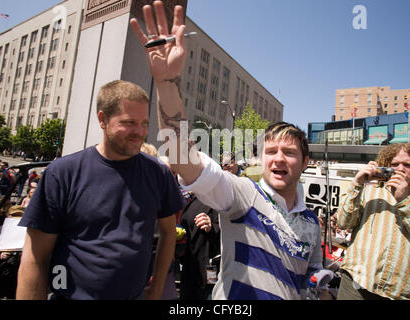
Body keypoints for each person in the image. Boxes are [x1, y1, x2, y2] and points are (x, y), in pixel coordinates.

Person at [130, 1, 330, 300]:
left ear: (305, 162)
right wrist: (167, 83)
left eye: (288, 152)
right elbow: (182, 158)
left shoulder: (312, 223)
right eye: (271, 150)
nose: (278, 158)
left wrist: (318, 284)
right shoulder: (244, 195)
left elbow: (312, 275)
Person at [16, 80, 185, 300]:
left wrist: (156, 290)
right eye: (129, 122)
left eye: (144, 123)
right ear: (102, 119)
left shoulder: (158, 173)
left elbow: (169, 232)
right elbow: (35, 258)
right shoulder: (63, 173)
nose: (140, 131)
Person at [336, 143, 410, 300]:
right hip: (356, 284)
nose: (400, 169)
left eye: (408, 165)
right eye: (395, 164)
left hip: (402, 293)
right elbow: (343, 222)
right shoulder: (370, 192)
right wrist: (357, 184)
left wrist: (403, 201)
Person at [0, 205, 25, 299]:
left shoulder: (28, 233)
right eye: (14, 215)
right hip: (0, 270)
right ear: (8, 216)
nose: (17, 218)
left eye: (19, 216)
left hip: (18, 271)